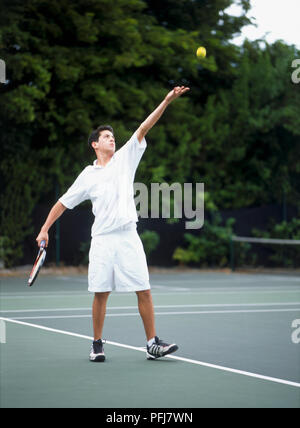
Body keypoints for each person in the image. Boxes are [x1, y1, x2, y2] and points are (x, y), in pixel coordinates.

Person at [36, 86, 190, 362]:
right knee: (101, 294)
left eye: (113, 136)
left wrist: (166, 100)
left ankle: (152, 343)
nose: (112, 139)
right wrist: (44, 228)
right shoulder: (87, 175)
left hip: (129, 236)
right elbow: (62, 203)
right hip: (104, 240)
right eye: (106, 137)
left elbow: (144, 127)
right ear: (94, 144)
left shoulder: (125, 159)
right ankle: (96, 344)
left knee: (144, 289)